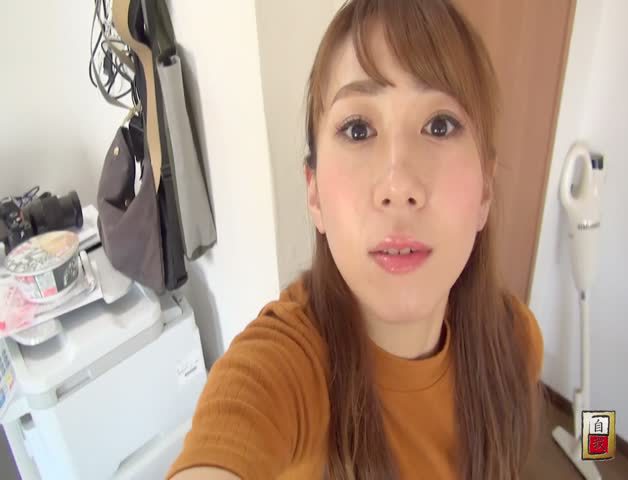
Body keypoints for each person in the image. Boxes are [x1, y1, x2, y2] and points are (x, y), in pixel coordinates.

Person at [167, 0, 544, 478]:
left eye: (439, 125)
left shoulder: (517, 340)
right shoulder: (283, 368)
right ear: (315, 194)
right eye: (359, 129)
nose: (398, 186)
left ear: (486, 190)